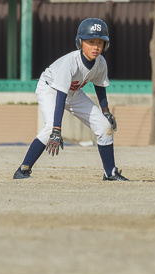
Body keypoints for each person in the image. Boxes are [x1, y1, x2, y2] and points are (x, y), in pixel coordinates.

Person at [13, 18, 130, 181]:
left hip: (73, 92)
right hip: (50, 88)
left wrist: (106, 112)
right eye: (90, 41)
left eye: (100, 42)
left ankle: (109, 173)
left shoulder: (101, 63)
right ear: (80, 42)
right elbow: (60, 96)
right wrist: (57, 129)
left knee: (105, 127)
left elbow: (100, 86)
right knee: (49, 129)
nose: (96, 47)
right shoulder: (70, 62)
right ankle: (23, 170)